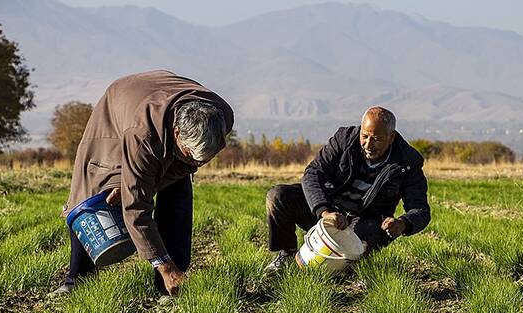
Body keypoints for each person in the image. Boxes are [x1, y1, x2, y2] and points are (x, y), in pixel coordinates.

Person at [53, 70, 234, 296]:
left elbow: (187, 163)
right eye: (191, 155)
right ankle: (76, 280)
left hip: (159, 102)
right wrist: (130, 185)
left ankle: (169, 287)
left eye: (204, 158)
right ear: (177, 133)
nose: (198, 163)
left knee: (178, 199)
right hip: (119, 111)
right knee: (95, 195)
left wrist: (155, 180)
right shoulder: (141, 136)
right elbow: (136, 208)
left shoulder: (222, 116)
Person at [264, 106, 431, 272]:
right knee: (278, 196)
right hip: (329, 211)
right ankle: (287, 255)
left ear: (391, 137)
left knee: (355, 249)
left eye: (376, 139)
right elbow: (313, 173)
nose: (368, 144)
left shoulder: (407, 163)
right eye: (364, 136)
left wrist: (403, 223)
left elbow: (420, 209)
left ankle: (351, 268)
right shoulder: (344, 140)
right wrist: (325, 212)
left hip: (365, 222)